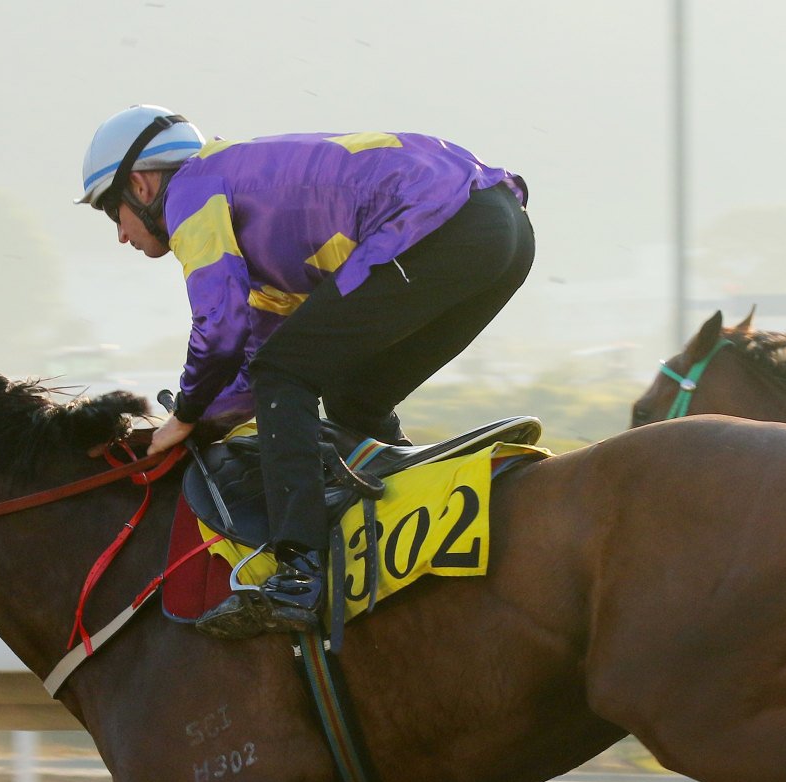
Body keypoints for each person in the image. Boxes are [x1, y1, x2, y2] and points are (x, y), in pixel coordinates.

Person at [80, 105, 534, 637]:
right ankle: (407, 507)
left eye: (114, 213)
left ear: (141, 184)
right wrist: (202, 424)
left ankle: (300, 574)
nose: (119, 235)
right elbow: (259, 363)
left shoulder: (193, 190)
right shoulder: (258, 225)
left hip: (444, 224)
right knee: (352, 394)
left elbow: (222, 330)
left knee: (289, 375)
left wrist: (183, 414)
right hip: (503, 233)